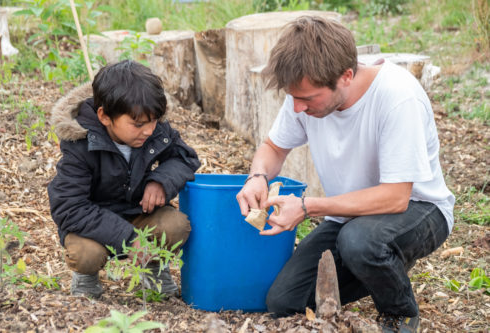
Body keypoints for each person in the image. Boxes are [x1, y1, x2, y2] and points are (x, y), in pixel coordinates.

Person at [236, 16, 454, 333]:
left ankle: (399, 313)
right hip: (348, 215)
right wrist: (257, 177)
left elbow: (396, 197)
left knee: (360, 242)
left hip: (420, 210)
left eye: (307, 99)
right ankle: (378, 265)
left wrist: (308, 207)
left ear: (346, 76)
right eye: (293, 97)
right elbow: (274, 147)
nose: (297, 108)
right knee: (284, 301)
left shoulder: (397, 96)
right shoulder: (304, 90)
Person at [48, 60, 200, 299]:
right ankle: (86, 277)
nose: (149, 131)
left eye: (153, 121)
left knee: (176, 226)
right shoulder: (80, 143)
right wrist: (128, 239)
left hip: (139, 211)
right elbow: (69, 206)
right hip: (93, 222)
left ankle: (153, 267)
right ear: (105, 117)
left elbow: (184, 158)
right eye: (138, 124)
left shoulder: (153, 127)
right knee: (86, 254)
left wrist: (160, 181)